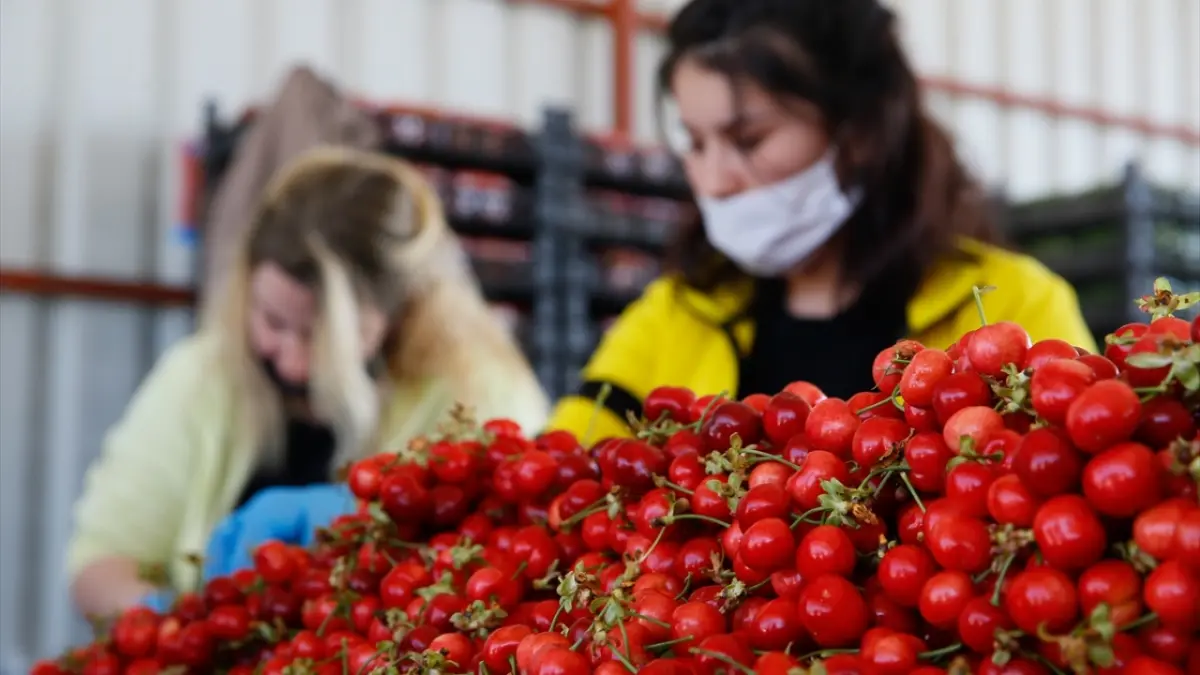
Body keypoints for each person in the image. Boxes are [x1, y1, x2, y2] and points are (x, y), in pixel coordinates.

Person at [547, 0, 1097, 441]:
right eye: (694, 142)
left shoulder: (1015, 307)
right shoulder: (673, 314)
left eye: (748, 140)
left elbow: (1073, 466)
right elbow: (563, 470)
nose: (713, 179)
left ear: (857, 132)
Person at [67, 146, 549, 617]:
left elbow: (517, 557)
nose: (294, 364)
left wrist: (390, 525)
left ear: (397, 314)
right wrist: (171, 620)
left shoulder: (478, 392)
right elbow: (102, 559)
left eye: (324, 341)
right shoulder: (200, 378)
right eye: (273, 322)